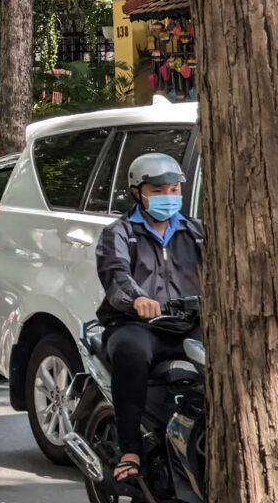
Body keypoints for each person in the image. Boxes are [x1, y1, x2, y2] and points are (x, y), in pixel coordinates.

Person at [96, 153, 202, 486]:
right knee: (131, 352)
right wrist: (138, 299)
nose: (168, 197)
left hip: (189, 324)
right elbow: (116, 276)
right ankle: (130, 450)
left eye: (173, 190)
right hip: (136, 325)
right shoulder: (120, 233)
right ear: (136, 192)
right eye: (158, 190)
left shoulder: (197, 232)